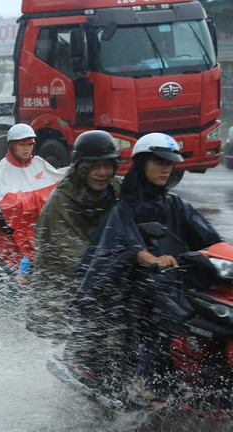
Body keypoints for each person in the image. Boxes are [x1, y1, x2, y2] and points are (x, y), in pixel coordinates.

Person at [68, 133, 222, 395]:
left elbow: (211, 239)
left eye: (169, 164)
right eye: (159, 162)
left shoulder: (177, 204)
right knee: (156, 305)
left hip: (177, 282)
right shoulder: (124, 209)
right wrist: (148, 258)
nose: (166, 169)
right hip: (134, 287)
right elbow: (125, 245)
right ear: (141, 164)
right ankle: (148, 381)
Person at [29, 130, 122, 337]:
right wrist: (115, 264)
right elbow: (70, 254)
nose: (102, 173)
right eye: (94, 167)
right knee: (79, 340)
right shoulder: (60, 202)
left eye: (107, 165)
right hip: (62, 290)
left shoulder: (116, 188)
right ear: (81, 168)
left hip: (99, 280)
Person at [0, 123, 66, 272]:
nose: (26, 149)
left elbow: (57, 180)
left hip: (40, 223)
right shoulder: (5, 167)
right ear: (12, 146)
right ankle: (21, 278)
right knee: (30, 257)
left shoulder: (38, 163)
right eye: (22, 145)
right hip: (10, 225)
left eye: (30, 145)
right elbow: (3, 202)